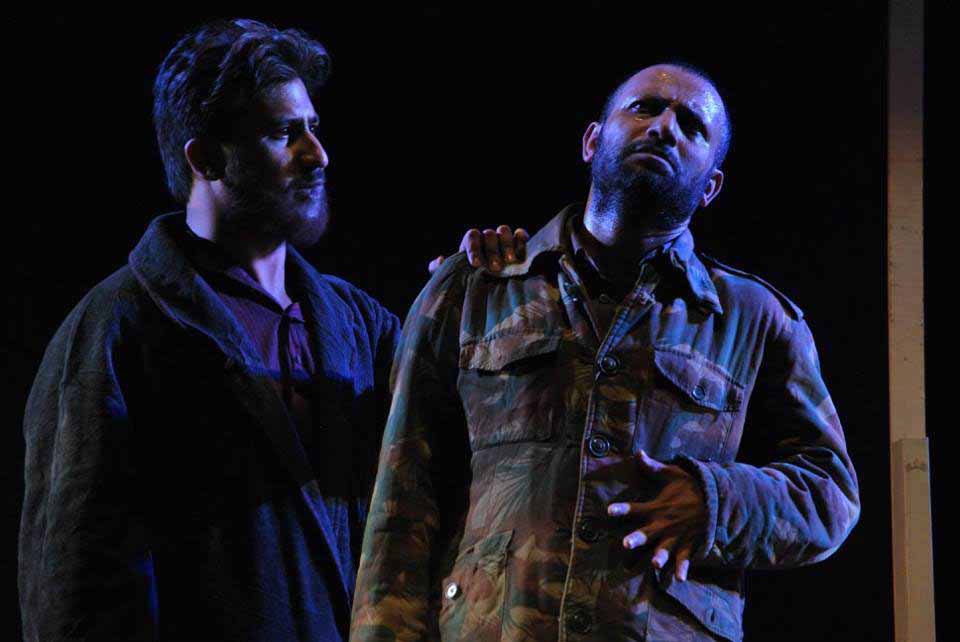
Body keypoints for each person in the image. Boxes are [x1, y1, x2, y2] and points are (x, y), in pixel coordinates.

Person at [18, 18, 524, 642]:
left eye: (314, 127)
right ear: (206, 157)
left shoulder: (358, 324)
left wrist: (486, 300)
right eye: (285, 133)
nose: (318, 154)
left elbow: (472, 457)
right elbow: (74, 581)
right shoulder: (118, 330)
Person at [350, 63, 861, 641]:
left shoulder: (753, 319)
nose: (664, 127)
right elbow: (401, 499)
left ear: (711, 186)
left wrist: (717, 503)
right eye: (645, 107)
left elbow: (831, 493)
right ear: (592, 141)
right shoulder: (473, 288)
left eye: (692, 126)